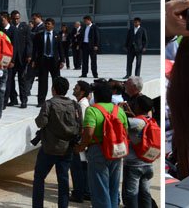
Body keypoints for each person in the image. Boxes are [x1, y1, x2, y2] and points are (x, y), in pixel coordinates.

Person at [75, 81, 128, 208]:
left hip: (98, 150)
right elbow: (125, 131)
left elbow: (88, 132)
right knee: (113, 187)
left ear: (96, 96)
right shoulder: (118, 111)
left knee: (99, 188)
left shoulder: (92, 110)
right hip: (116, 150)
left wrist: (81, 147)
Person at [32, 77, 81, 208]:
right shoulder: (75, 105)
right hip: (67, 149)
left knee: (39, 178)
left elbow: (40, 122)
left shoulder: (49, 104)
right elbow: (79, 125)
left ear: (53, 89)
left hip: (49, 148)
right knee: (63, 181)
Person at [122, 95, 154, 208]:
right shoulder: (150, 120)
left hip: (134, 165)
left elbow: (120, 122)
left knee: (131, 194)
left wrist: (119, 109)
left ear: (138, 106)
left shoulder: (134, 122)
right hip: (148, 164)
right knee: (145, 193)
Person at [31, 18, 64, 108]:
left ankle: (58, 100)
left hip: (54, 61)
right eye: (46, 24)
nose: (47, 25)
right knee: (42, 82)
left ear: (53, 25)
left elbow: (60, 49)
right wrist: (33, 60)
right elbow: (35, 50)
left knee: (56, 81)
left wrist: (62, 60)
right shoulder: (39, 36)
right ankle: (41, 101)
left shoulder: (57, 36)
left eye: (49, 24)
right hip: (43, 61)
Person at [68, 80, 92, 203]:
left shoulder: (82, 105)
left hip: (79, 143)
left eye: (76, 88)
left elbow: (82, 125)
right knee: (82, 168)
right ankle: (85, 192)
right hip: (82, 143)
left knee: (78, 169)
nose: (74, 89)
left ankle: (79, 193)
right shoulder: (81, 103)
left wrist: (80, 144)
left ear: (82, 91)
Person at [5, 10, 32, 108]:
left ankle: (23, 100)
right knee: (10, 80)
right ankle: (13, 99)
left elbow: (29, 42)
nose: (16, 20)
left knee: (22, 80)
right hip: (11, 59)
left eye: (17, 18)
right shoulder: (9, 29)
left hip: (21, 58)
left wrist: (29, 55)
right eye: (14, 18)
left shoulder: (25, 27)